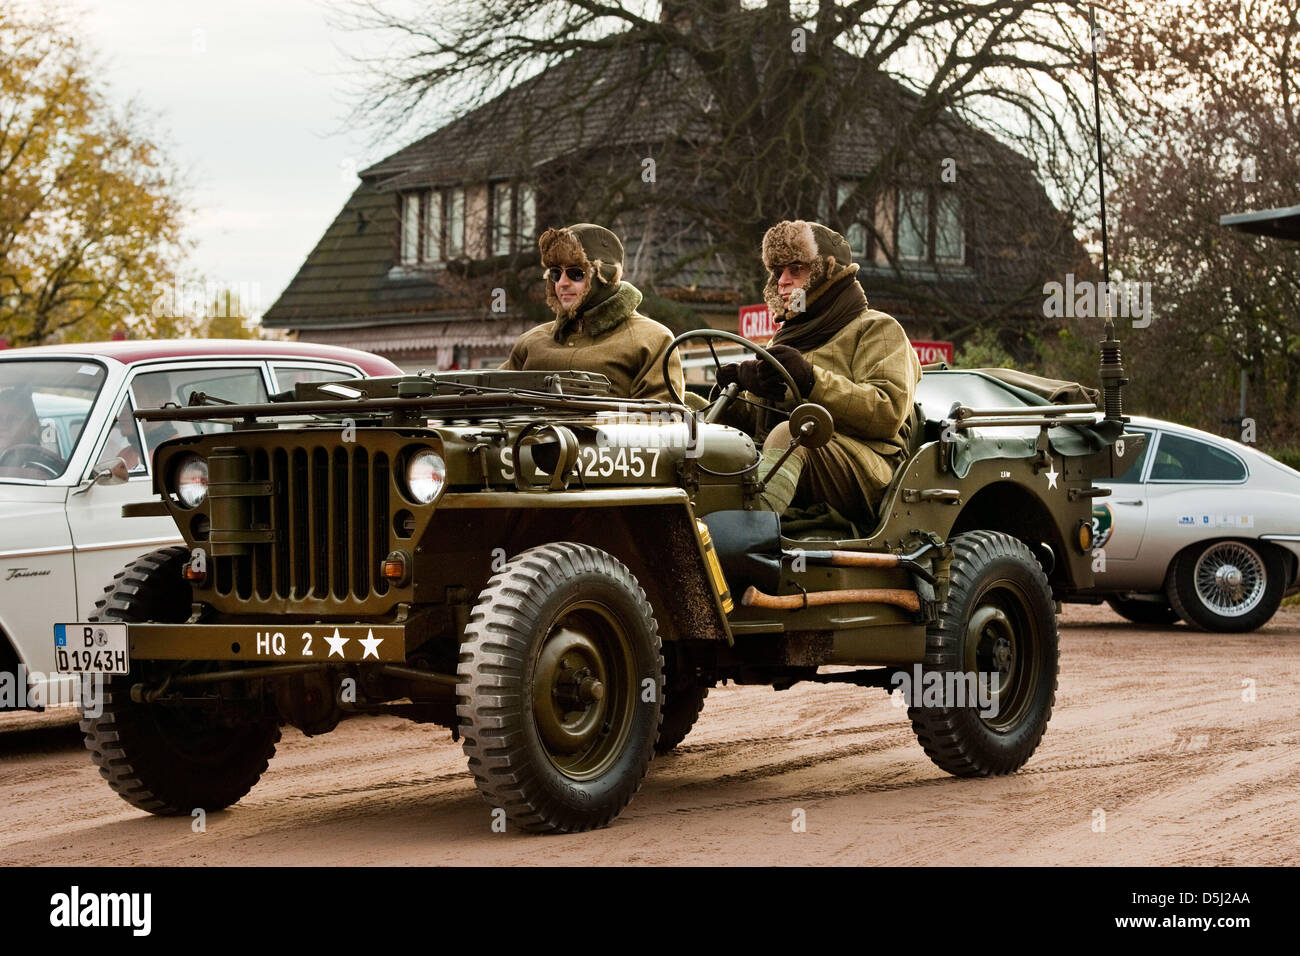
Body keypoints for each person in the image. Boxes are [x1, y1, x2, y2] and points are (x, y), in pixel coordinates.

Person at [717, 220, 921, 525]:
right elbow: (759, 426)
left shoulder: (877, 328)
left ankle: (747, 528)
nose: (782, 281)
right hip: (796, 453)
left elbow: (887, 411)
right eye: (777, 272)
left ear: (826, 272)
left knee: (790, 434)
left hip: (867, 466)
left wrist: (811, 380)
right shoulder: (788, 337)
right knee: (691, 422)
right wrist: (738, 389)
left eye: (795, 269)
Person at [502, 223, 684, 402]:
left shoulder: (650, 340)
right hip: (530, 432)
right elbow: (486, 399)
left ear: (605, 276)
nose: (562, 283)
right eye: (556, 273)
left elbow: (663, 420)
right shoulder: (530, 342)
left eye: (576, 273)